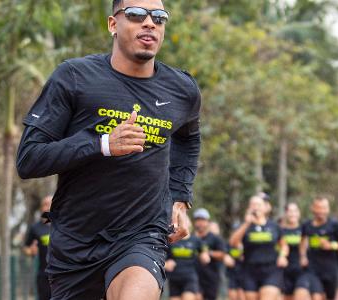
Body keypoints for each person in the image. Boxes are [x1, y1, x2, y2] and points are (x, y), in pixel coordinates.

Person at [15, 0, 201, 298]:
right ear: (113, 24)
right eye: (137, 15)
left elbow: (189, 138)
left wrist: (180, 197)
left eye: (159, 17)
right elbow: (29, 159)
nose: (150, 23)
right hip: (76, 242)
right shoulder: (74, 77)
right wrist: (101, 144)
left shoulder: (181, 89)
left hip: (142, 234)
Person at [229, 196, 289, 300]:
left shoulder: (274, 226)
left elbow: (284, 245)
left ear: (265, 208)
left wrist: (282, 256)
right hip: (250, 270)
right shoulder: (244, 226)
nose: (256, 207)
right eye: (253, 205)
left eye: (259, 205)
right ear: (249, 208)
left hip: (271, 270)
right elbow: (233, 243)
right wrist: (247, 223)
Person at [296, 196, 338, 300]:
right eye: (318, 208)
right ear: (313, 208)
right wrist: (303, 256)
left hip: (331, 269)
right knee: (316, 296)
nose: (321, 211)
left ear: (328, 209)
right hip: (312, 269)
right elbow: (303, 241)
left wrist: (332, 245)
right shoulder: (307, 225)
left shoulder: (335, 225)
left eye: (324, 208)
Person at [165, 219, 210, 300]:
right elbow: (162, 258)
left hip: (189, 277)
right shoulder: (171, 240)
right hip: (174, 278)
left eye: (184, 221)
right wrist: (166, 264)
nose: (182, 224)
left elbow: (205, 254)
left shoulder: (196, 240)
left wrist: (205, 257)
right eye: (179, 222)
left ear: (190, 224)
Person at [23, 195, 53, 300]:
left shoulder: (64, 226)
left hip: (63, 274)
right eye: (45, 204)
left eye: (51, 203)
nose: (49, 207)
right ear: (41, 208)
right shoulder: (35, 228)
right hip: (44, 275)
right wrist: (30, 251)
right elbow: (25, 247)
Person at [193, 208, 225, 300]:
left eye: (203, 220)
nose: (200, 223)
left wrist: (209, 253)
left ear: (208, 222)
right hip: (194, 278)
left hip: (211, 278)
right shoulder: (191, 239)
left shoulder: (215, 238)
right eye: (198, 220)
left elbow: (222, 254)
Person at [280, 203, 304, 300]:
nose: (292, 214)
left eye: (295, 211)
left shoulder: (304, 230)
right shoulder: (280, 231)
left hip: (302, 270)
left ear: (299, 213)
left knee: (301, 294)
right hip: (285, 270)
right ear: (286, 214)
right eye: (290, 211)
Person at [226, 223, 245, 300]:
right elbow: (224, 254)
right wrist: (225, 257)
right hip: (232, 275)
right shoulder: (229, 244)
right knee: (232, 296)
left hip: (244, 275)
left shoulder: (246, 244)